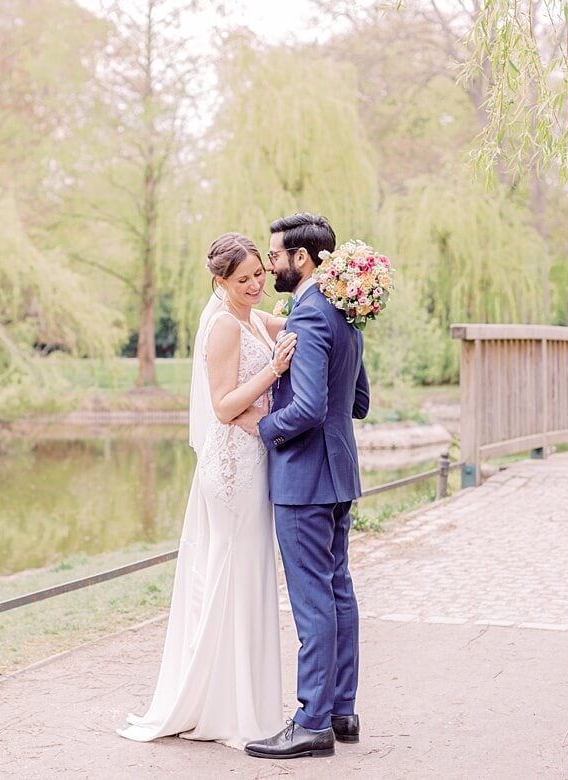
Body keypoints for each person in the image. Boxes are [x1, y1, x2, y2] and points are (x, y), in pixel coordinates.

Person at [118, 232, 297, 749]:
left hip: (253, 459)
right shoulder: (222, 325)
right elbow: (222, 406)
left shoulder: (252, 315)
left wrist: (339, 291)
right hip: (232, 469)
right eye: (243, 280)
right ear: (220, 283)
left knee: (245, 579)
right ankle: (233, 712)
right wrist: (274, 369)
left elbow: (291, 322)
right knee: (234, 577)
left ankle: (236, 701)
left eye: (261, 274)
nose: (256, 285)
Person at [240, 212, 370, 760]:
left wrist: (265, 428)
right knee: (337, 590)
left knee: (314, 600)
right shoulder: (346, 312)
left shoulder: (310, 316)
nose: (271, 266)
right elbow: (357, 403)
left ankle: (312, 720)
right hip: (339, 473)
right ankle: (341, 711)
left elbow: (311, 407)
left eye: (276, 256)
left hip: (303, 481)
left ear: (304, 258)